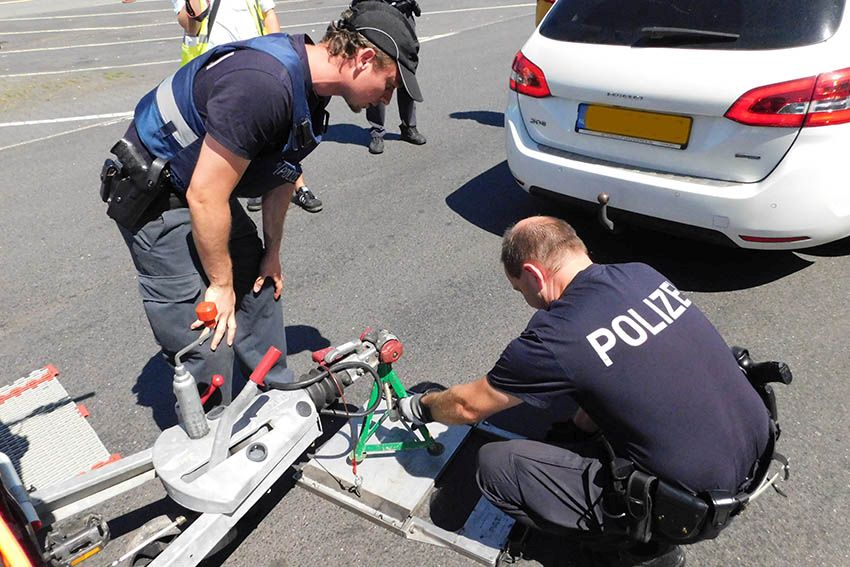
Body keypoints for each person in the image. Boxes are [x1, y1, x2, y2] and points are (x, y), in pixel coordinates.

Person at [398, 216, 772, 566]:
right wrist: (577, 430)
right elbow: (622, 367)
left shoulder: (554, 338)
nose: (524, 297)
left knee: (496, 466)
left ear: (533, 274)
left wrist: (421, 406)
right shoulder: (642, 275)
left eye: (519, 289)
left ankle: (642, 550)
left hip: (693, 505)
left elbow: (466, 406)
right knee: (581, 401)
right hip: (757, 447)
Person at [101, 1, 422, 402]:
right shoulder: (264, 86)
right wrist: (219, 285)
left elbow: (282, 171)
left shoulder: (314, 87)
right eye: (390, 85)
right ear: (364, 58)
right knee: (208, 336)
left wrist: (272, 252)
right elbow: (205, 195)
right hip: (155, 193)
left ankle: (280, 407)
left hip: (200, 183)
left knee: (259, 287)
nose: (387, 101)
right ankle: (215, 443)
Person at [170, 0, 322, 213]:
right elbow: (191, 26)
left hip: (255, 62)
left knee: (280, 136)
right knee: (228, 140)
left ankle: (299, 185)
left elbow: (269, 14)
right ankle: (241, 192)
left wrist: (279, 51)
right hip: (214, 74)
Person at [357, 0, 425, 154]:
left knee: (406, 71)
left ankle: (409, 127)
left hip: (403, 14)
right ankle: (377, 131)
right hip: (376, 14)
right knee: (377, 73)